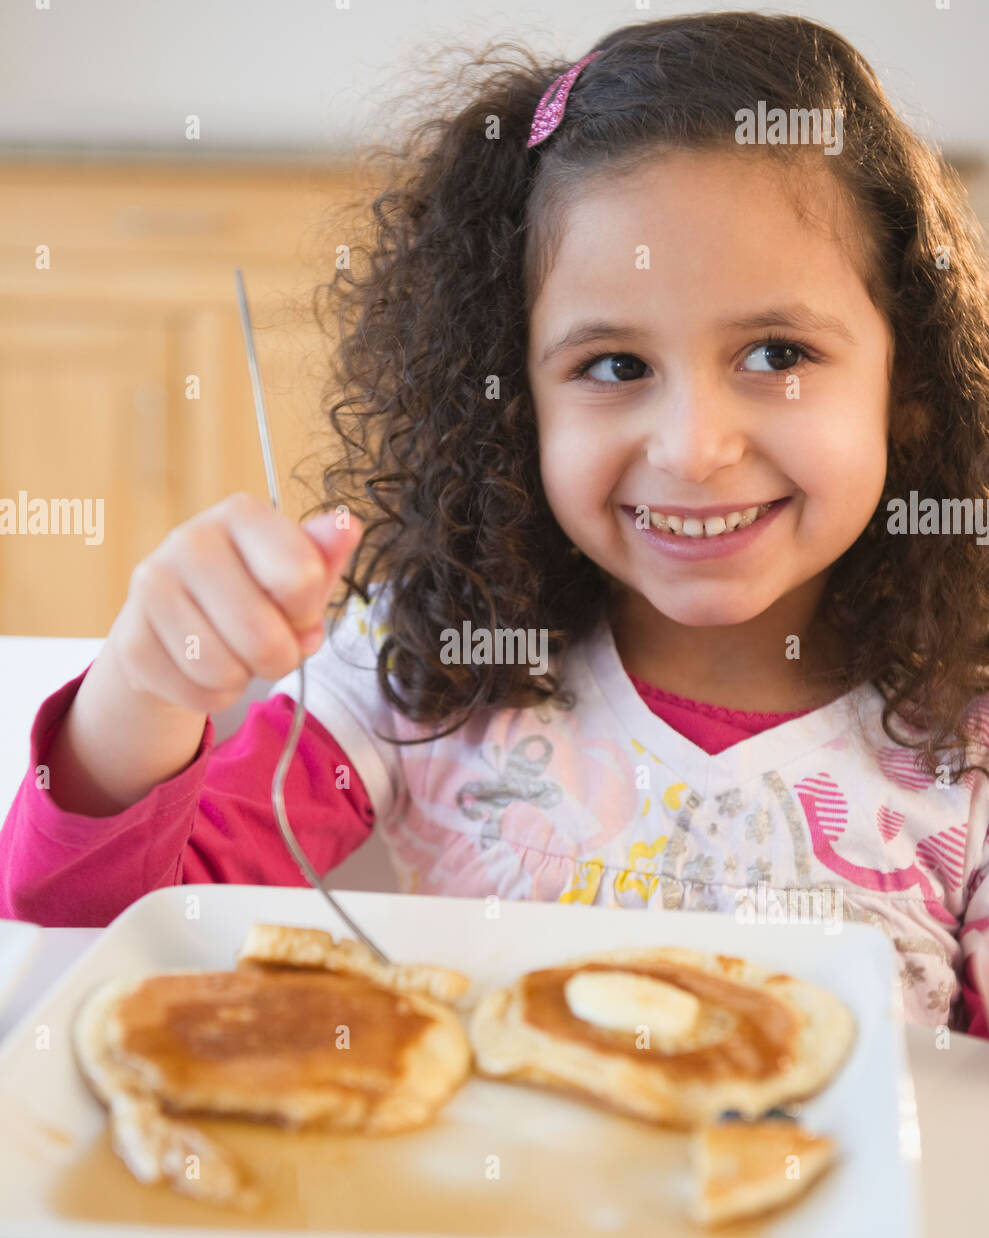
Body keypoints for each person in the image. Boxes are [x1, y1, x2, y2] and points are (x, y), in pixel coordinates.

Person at [3, 12, 989, 1036]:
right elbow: (94, 933)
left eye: (776, 354)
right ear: (516, 400)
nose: (693, 446)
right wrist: (146, 688)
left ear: (905, 381)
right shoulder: (422, 669)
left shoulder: (967, 738)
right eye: (613, 366)